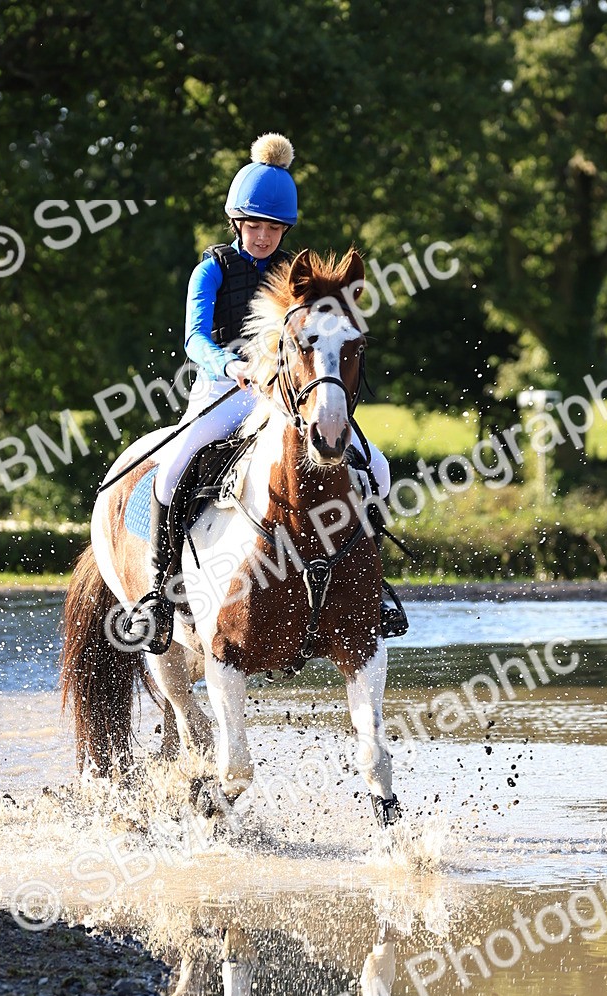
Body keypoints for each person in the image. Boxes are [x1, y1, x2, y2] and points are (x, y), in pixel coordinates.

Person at [139, 132, 397, 653]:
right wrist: (230, 364)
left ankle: (374, 587)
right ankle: (158, 596)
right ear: (238, 222)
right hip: (221, 391)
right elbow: (194, 337)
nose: (263, 236)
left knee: (380, 468)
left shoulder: (294, 278)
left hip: (284, 396)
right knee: (170, 472)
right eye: (254, 225)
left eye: (273, 227)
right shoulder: (212, 268)